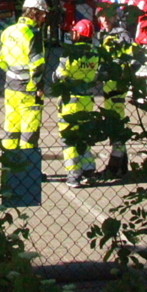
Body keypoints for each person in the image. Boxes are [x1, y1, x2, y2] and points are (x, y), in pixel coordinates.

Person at [0, 0, 49, 151]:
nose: (44, 17)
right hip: (29, 89)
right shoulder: (33, 34)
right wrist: (37, 86)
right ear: (34, 12)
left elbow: (0, 59)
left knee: (11, 126)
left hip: (10, 86)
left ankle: (9, 165)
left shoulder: (8, 31)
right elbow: (37, 64)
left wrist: (14, 73)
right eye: (42, 13)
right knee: (29, 128)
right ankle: (28, 170)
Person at [52, 18, 101, 188]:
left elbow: (58, 75)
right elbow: (95, 76)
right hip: (87, 101)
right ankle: (89, 171)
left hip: (70, 101)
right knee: (83, 137)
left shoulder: (69, 54)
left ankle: (73, 175)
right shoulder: (95, 54)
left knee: (69, 139)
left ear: (78, 34)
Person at [95, 7, 136, 179]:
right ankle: (123, 166)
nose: (104, 19)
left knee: (116, 125)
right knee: (115, 122)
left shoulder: (121, 35)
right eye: (101, 16)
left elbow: (133, 59)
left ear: (115, 16)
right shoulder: (103, 35)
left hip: (116, 86)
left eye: (107, 16)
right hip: (108, 86)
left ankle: (114, 166)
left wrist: (120, 72)